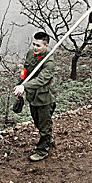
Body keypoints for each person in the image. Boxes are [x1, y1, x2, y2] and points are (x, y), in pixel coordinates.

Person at [14, 31, 56, 162]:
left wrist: (25, 87)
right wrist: (19, 86)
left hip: (43, 99)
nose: (35, 48)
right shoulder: (30, 54)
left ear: (46, 46)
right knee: (38, 122)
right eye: (33, 44)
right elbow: (25, 71)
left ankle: (43, 150)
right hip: (32, 97)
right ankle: (47, 137)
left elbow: (41, 80)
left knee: (44, 126)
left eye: (38, 45)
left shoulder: (49, 62)